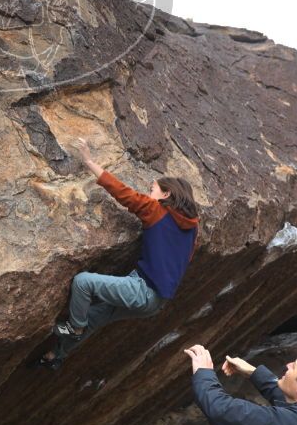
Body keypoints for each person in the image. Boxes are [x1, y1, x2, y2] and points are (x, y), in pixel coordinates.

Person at [39, 137, 199, 369]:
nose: (149, 193)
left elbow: (123, 193)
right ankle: (55, 356)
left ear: (166, 195)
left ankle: (74, 328)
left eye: (152, 190)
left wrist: (89, 162)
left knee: (83, 282)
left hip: (142, 290)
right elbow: (185, 259)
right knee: (96, 316)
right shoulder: (192, 229)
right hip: (156, 301)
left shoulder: (156, 210)